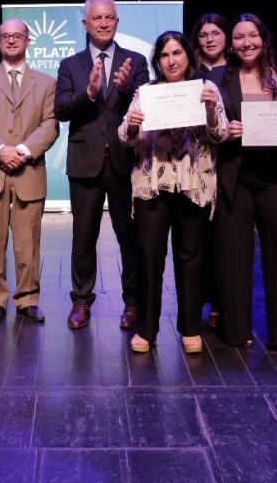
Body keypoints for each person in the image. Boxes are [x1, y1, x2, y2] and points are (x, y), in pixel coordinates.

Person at [211, 13, 277, 356]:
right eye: (240, 37)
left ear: (264, 38)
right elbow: (208, 128)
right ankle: (235, 331)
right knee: (232, 255)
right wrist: (226, 132)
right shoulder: (217, 77)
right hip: (236, 175)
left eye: (253, 36)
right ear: (232, 43)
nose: (247, 43)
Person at [119, 32, 227, 354]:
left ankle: (191, 327)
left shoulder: (206, 90)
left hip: (192, 183)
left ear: (188, 57)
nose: (171, 60)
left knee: (190, 257)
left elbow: (220, 133)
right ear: (158, 61)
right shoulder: (146, 92)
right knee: (150, 257)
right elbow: (125, 136)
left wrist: (209, 111)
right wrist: (134, 125)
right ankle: (147, 329)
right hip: (152, 184)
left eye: (177, 53)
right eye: (165, 55)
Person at [55, 0, 149, 330]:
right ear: (85, 24)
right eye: (97, 18)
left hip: (126, 162)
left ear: (117, 22)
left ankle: (133, 304)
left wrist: (125, 89)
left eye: (109, 17)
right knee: (83, 237)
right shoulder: (70, 65)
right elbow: (62, 110)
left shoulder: (135, 61)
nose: (104, 23)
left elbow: (146, 105)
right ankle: (81, 302)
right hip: (85, 163)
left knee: (129, 236)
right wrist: (90, 93)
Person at [0, 20, 59, 325]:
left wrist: (21, 151)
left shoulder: (46, 83)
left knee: (28, 242)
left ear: (27, 40)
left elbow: (50, 124)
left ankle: (27, 300)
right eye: (5, 36)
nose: (11, 41)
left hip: (28, 170)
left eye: (17, 36)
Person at [189, 12, 230, 328]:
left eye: (216, 33)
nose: (210, 39)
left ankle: (221, 301)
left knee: (223, 237)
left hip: (231, 161)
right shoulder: (188, 74)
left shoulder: (238, 72)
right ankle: (197, 300)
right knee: (197, 235)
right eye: (203, 35)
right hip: (197, 164)